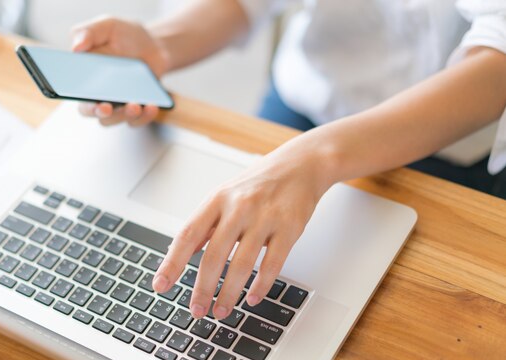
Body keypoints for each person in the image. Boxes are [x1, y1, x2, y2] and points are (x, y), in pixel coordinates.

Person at [70, 1, 506, 321]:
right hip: (302, 103)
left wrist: (317, 156)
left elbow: (496, 65)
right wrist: (160, 46)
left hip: (445, 143)